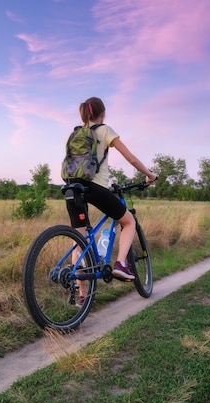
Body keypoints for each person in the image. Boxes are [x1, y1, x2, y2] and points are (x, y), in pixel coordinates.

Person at [64, 97, 157, 305]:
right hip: (94, 188)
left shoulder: (75, 134)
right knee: (128, 221)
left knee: (79, 238)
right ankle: (121, 264)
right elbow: (131, 158)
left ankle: (81, 295)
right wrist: (150, 175)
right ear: (102, 113)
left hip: (72, 189)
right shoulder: (104, 130)